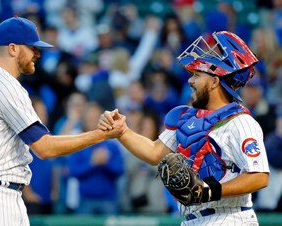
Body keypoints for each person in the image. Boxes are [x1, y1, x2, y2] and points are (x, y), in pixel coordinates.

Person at [0, 17, 124, 226]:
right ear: (13, 48)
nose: (38, 53)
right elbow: (45, 148)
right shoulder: (4, 85)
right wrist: (101, 135)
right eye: (32, 47)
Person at [99, 31, 270, 225]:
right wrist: (123, 132)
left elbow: (259, 177)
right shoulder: (187, 117)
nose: (190, 80)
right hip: (191, 219)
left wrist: (210, 191)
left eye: (197, 75)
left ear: (214, 81)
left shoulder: (241, 122)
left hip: (230, 217)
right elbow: (155, 152)